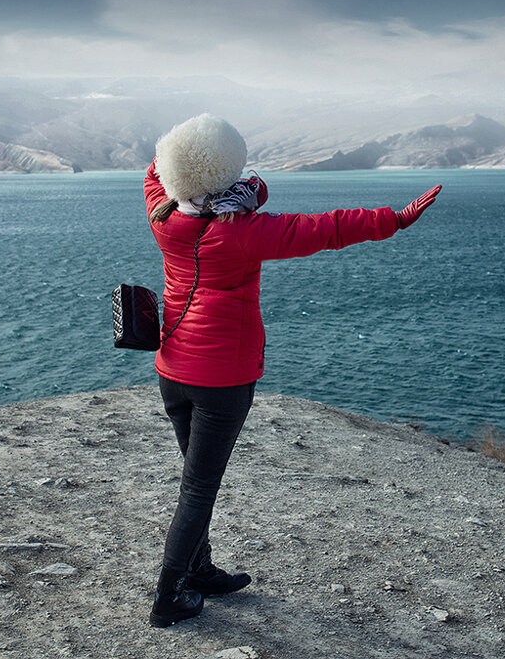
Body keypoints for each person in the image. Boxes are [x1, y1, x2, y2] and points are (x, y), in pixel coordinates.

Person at [143, 114, 441, 627]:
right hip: (223, 380)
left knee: (195, 475)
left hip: (173, 368)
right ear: (223, 173)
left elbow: (156, 171)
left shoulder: (163, 212)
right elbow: (326, 229)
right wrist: (393, 219)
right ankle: (169, 595)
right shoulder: (243, 231)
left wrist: (243, 189)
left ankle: (200, 570)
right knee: (198, 488)